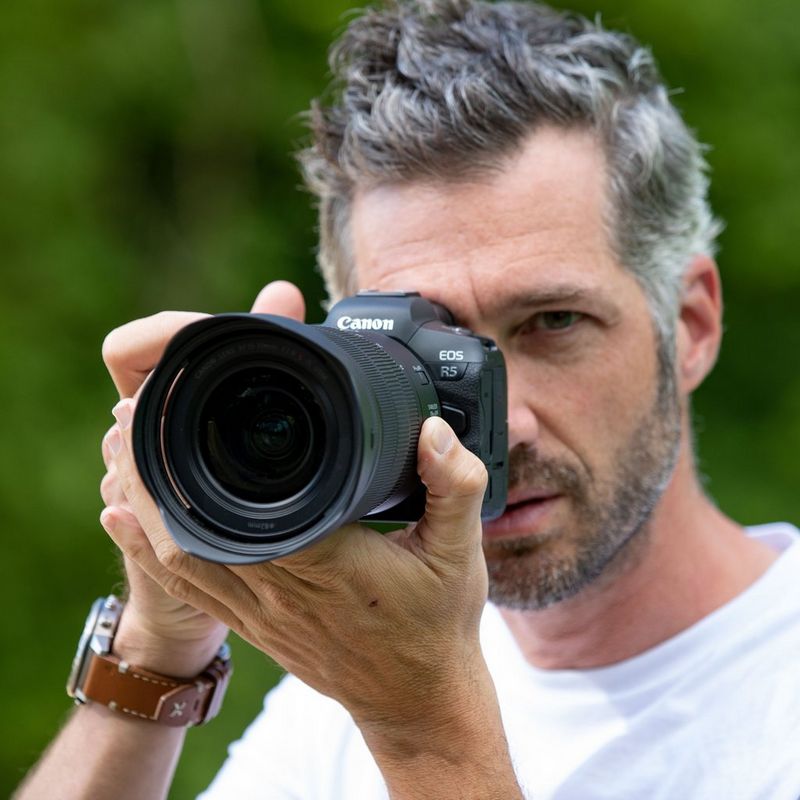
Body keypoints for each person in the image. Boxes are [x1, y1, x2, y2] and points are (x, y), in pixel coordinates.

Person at [16, 1, 800, 798]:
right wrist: (158, 646)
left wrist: (423, 730)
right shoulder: (351, 678)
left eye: (553, 323)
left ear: (692, 325)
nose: (502, 427)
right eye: (431, 351)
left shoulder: (390, 681)